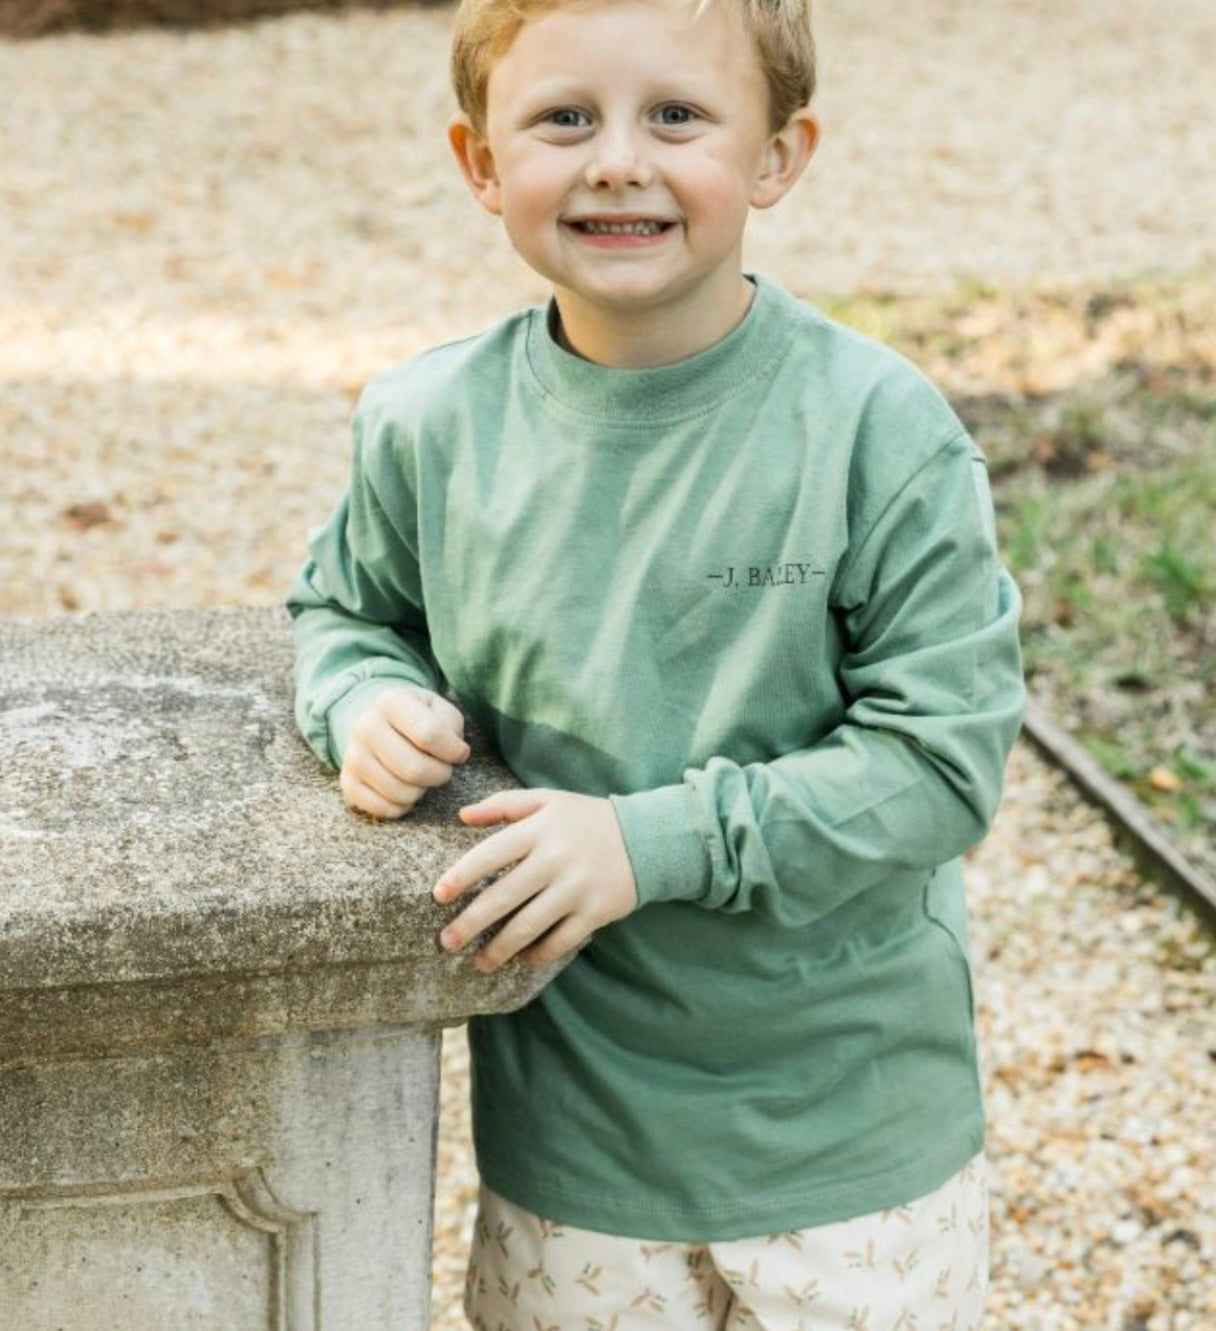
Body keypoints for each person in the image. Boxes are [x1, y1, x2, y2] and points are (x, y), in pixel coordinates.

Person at [287, 0, 1027, 1324]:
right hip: (580, 1147)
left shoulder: (876, 431)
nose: (617, 159)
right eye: (563, 117)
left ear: (775, 157)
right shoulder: (427, 425)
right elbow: (344, 609)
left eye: (676, 115)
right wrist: (364, 695)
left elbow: (939, 764)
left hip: (851, 1143)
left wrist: (646, 843)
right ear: (478, 163)